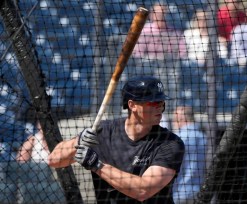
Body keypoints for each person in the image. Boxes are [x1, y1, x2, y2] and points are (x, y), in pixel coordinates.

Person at [47, 76, 185, 203]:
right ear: (132, 105)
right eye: (153, 103)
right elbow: (54, 160)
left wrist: (98, 165)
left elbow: (143, 190)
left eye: (161, 103)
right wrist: (77, 143)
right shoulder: (104, 132)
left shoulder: (170, 143)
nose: (160, 108)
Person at [132, 2, 187, 114]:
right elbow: (138, 53)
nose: (161, 15)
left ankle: (171, 109)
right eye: (158, 13)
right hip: (149, 68)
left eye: (163, 13)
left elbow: (183, 53)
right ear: (152, 14)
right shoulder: (145, 31)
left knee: (175, 76)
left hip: (169, 68)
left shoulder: (174, 32)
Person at [171, 103, 206, 204]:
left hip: (178, 193)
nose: (174, 121)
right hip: (196, 192)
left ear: (181, 119)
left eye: (175, 118)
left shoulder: (178, 138)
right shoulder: (202, 137)